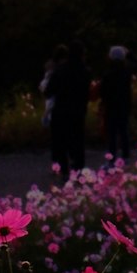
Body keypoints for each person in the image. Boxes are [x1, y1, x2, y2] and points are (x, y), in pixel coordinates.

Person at [46, 40, 91, 182]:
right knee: (78, 141)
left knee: (61, 141)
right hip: (78, 110)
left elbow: (48, 91)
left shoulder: (60, 70)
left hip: (61, 109)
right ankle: (78, 169)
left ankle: (64, 169)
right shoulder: (85, 71)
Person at [101, 44, 134, 164]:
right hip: (124, 105)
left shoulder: (108, 74)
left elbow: (103, 92)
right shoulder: (127, 73)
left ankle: (112, 156)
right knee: (123, 130)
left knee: (112, 133)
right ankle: (126, 155)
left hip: (111, 106)